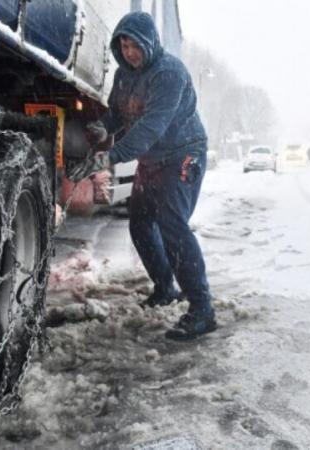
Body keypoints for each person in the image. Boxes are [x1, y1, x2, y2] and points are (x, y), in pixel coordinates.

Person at [75, 12, 216, 341]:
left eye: (134, 45)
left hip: (183, 153)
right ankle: (165, 287)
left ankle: (202, 309)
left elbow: (150, 127)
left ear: (150, 42)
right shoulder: (124, 75)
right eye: (123, 45)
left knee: (172, 225)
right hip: (153, 159)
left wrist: (109, 157)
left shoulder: (170, 74)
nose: (128, 52)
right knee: (140, 221)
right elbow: (117, 112)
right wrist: (104, 127)